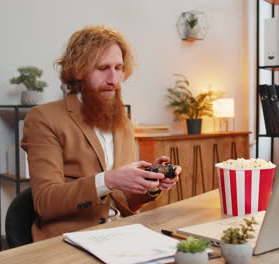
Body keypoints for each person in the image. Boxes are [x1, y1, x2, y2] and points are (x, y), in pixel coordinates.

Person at [21, 25, 180, 241]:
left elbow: (124, 201)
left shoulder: (122, 121)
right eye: (102, 68)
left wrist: (150, 185)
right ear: (78, 70)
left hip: (120, 233)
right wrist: (109, 179)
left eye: (118, 68)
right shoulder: (42, 118)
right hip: (69, 240)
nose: (113, 80)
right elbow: (45, 202)